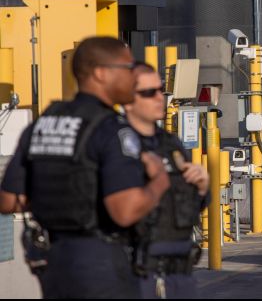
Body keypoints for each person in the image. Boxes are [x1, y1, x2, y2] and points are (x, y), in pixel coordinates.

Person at [0, 36, 170, 298]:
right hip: (103, 266)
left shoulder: (43, 124)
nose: (133, 78)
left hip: (54, 266)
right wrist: (159, 180)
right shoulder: (112, 130)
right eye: (127, 68)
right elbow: (125, 211)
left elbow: (8, 200)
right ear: (101, 73)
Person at [123, 62, 209, 299]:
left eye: (161, 90)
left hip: (180, 271)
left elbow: (190, 202)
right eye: (149, 92)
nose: (159, 97)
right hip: (139, 270)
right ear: (127, 99)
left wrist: (202, 188)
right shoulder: (118, 144)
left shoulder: (170, 144)